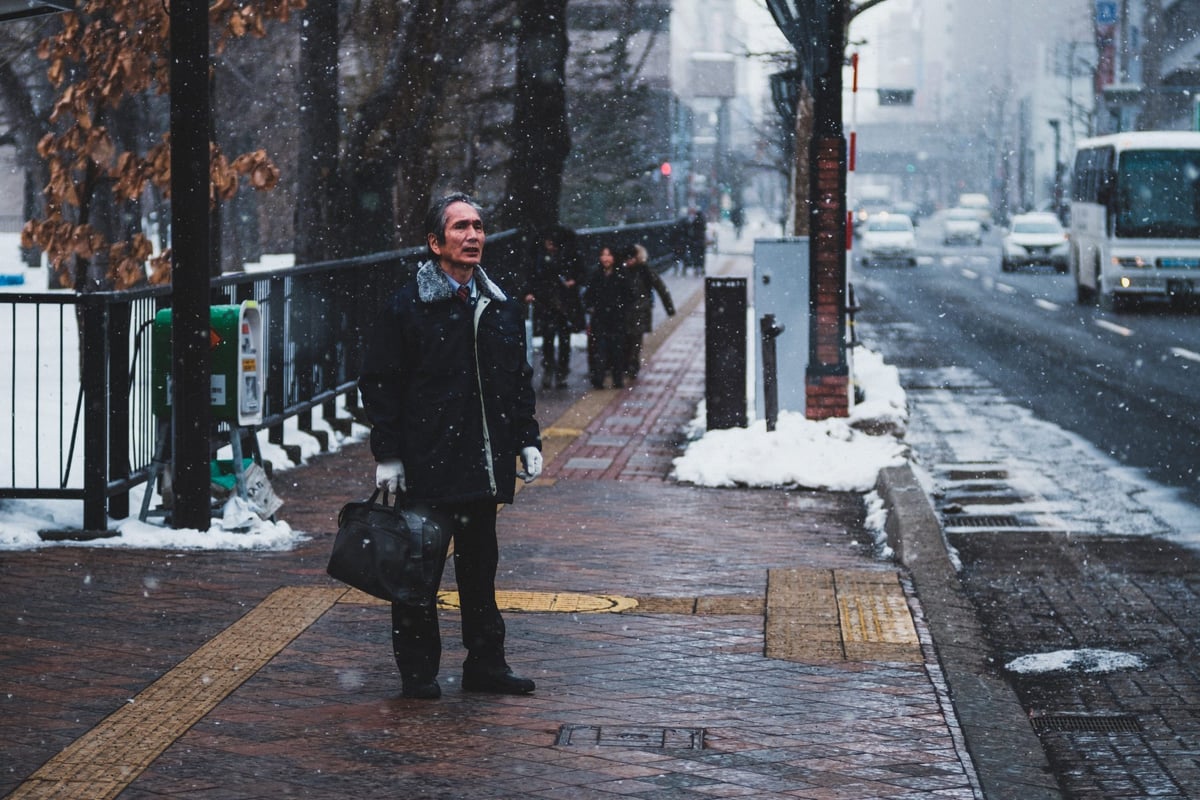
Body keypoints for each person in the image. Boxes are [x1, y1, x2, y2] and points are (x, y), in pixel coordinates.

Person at [359, 193, 543, 700]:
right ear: (435, 242)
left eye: (479, 226)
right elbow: (381, 383)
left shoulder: (499, 307)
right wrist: (389, 454)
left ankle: (487, 665)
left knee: (480, 572)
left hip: (482, 466)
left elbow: (517, 381)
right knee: (418, 571)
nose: (473, 236)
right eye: (460, 227)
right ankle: (418, 672)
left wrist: (526, 438)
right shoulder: (408, 307)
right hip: (428, 463)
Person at [523, 227, 584, 389]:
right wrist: (529, 291)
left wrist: (574, 281)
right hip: (548, 300)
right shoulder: (541, 256)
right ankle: (551, 368)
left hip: (560, 301)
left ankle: (559, 371)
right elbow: (531, 275)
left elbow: (582, 272)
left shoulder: (566, 256)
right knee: (549, 336)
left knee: (561, 337)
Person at [619, 244, 675, 380]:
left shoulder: (644, 270)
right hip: (629, 309)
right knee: (628, 337)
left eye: (631, 258)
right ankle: (628, 365)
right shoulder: (624, 271)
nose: (629, 261)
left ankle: (632, 365)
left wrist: (669, 308)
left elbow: (661, 288)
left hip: (640, 309)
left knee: (635, 337)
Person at [584, 245, 632, 389]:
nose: (605, 258)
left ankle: (617, 378)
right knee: (600, 349)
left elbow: (629, 296)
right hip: (600, 317)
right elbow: (588, 296)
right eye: (603, 255)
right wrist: (591, 307)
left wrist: (621, 308)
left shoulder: (621, 275)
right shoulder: (596, 274)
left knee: (616, 349)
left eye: (609, 255)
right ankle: (598, 379)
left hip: (616, 318)